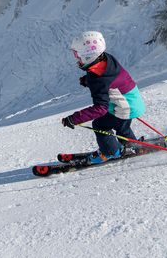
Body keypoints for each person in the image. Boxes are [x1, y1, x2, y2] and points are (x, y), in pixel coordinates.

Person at [61, 31, 146, 163]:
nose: (76, 58)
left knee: (100, 124)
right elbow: (108, 80)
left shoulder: (98, 79)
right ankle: (131, 145)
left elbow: (100, 108)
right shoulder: (105, 58)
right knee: (121, 125)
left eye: (77, 55)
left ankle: (111, 151)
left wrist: (74, 118)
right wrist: (89, 81)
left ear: (88, 56)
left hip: (125, 107)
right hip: (132, 101)